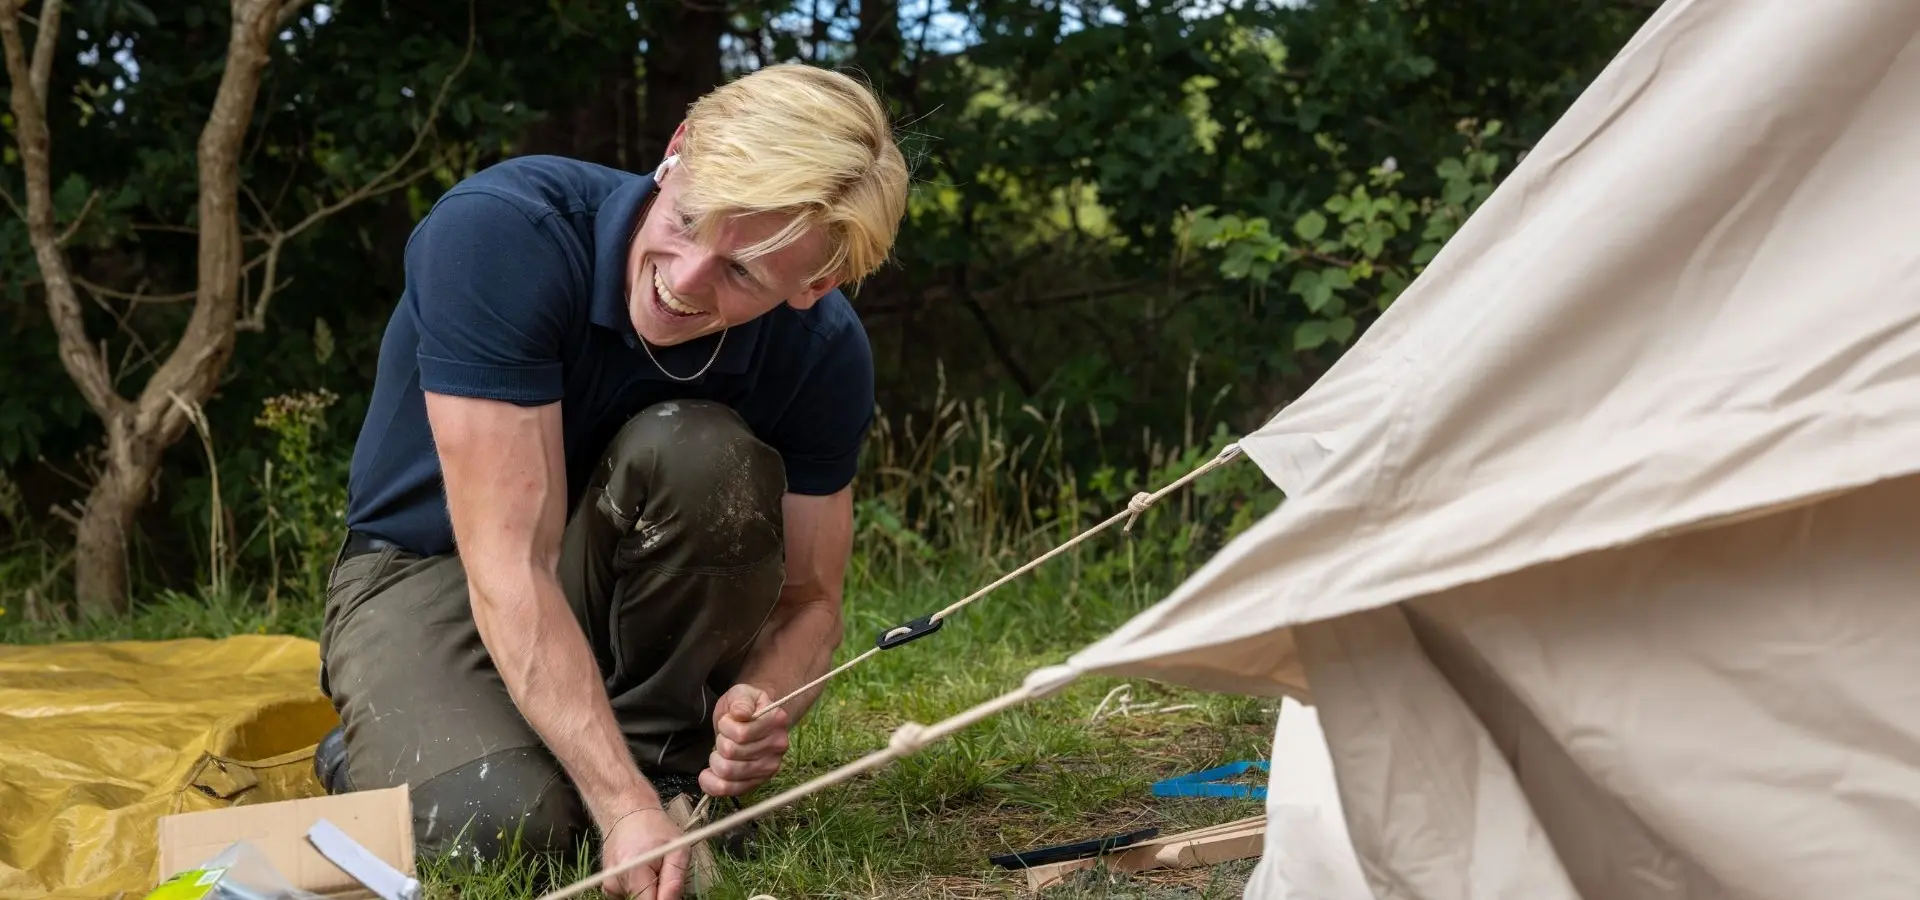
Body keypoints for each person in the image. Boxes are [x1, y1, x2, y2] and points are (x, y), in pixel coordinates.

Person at [312, 63, 910, 900]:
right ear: (677, 149)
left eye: (742, 272)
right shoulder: (502, 233)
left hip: (608, 589)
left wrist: (765, 700)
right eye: (688, 220)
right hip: (427, 568)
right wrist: (618, 804)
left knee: (700, 450)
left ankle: (659, 768)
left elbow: (811, 602)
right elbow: (510, 565)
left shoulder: (824, 353)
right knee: (496, 828)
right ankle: (391, 752)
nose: (685, 279)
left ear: (814, 286)